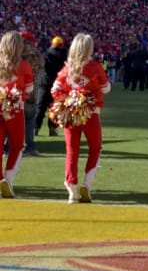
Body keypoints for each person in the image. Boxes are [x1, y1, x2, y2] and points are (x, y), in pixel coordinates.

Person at [50, 33, 111, 203]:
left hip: (70, 115)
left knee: (72, 151)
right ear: (89, 49)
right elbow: (106, 89)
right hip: (90, 114)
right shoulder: (95, 67)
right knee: (95, 147)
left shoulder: (66, 69)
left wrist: (70, 99)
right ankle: (87, 183)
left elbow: (55, 90)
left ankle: (72, 189)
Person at [0, 30, 34, 197]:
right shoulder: (24, 65)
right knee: (17, 145)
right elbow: (29, 88)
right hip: (15, 110)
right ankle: (9, 178)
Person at [35, 35, 67, 139]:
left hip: (44, 83)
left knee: (40, 107)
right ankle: (52, 129)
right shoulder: (64, 55)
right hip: (57, 84)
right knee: (55, 108)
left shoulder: (47, 54)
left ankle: (36, 127)